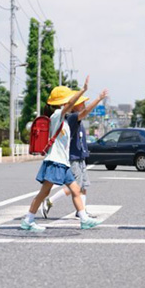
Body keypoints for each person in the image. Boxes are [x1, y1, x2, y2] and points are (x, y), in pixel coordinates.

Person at [20, 77, 102, 232]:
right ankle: (28, 219)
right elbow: (70, 105)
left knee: (76, 190)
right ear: (63, 102)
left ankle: (84, 219)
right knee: (44, 192)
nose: (71, 102)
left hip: (63, 163)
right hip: (54, 162)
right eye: (69, 99)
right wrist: (83, 90)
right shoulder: (57, 115)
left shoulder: (64, 119)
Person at [40, 89, 109, 218]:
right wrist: (98, 99)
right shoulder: (72, 117)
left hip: (80, 157)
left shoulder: (76, 119)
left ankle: (80, 211)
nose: (83, 105)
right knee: (75, 186)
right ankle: (50, 201)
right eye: (81, 103)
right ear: (75, 105)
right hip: (73, 157)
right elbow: (86, 111)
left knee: (83, 186)